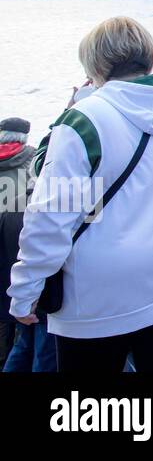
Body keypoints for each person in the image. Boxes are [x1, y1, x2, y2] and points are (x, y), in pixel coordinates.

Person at [8, 17, 153, 372]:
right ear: (149, 58)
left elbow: (51, 217)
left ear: (94, 66)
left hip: (102, 293)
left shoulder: (83, 121)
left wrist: (25, 291)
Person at [1, 116, 55, 372]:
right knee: (42, 344)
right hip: (34, 267)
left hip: (9, 256)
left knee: (21, 340)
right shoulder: (33, 160)